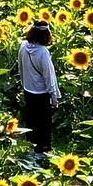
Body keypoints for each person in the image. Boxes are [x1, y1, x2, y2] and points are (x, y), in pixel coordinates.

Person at [18, 21, 60, 154]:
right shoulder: (43, 52)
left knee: (31, 119)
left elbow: (20, 67)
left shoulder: (23, 46)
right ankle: (43, 149)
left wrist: (24, 84)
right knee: (44, 123)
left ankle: (30, 146)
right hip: (42, 92)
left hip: (28, 89)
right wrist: (54, 96)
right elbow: (49, 76)